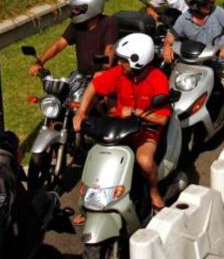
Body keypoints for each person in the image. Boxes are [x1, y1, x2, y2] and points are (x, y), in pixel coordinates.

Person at [73, 33, 172, 211]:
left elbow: (162, 118)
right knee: (97, 155)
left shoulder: (158, 79)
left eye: (124, 60)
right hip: (120, 126)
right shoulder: (119, 73)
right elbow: (94, 86)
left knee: (144, 160)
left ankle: (154, 191)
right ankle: (89, 198)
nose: (119, 63)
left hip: (146, 129)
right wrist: (81, 111)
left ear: (138, 61)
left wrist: (135, 112)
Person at [162, 0, 224, 131]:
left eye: (209, 1)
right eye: (204, 4)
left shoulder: (217, 12)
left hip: (222, 62)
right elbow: (171, 36)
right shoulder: (184, 19)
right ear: (194, 5)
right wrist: (166, 47)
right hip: (198, 63)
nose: (209, 5)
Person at [28, 0, 117, 79]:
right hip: (82, 76)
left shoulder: (108, 23)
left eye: (78, 9)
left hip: (102, 77)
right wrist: (40, 62)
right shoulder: (78, 24)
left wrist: (104, 70)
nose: (75, 12)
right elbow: (59, 44)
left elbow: (109, 49)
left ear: (91, 7)